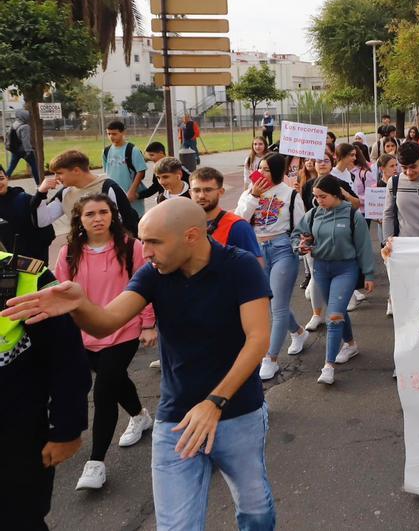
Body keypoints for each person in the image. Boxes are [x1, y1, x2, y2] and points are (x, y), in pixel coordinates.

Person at [2, 198, 275, 530]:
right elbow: (106, 322)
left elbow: (258, 339)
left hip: (237, 412)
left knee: (255, 510)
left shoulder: (240, 266)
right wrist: (79, 304)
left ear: (191, 236)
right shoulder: (154, 273)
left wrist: (214, 403)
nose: (144, 252)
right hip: (176, 420)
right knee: (176, 526)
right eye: (143, 241)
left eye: (154, 242)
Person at [54, 194, 155, 491]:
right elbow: (61, 294)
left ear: (112, 215)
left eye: (103, 212)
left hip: (123, 330)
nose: (97, 218)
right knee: (116, 381)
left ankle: (96, 463)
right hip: (83, 334)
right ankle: (140, 415)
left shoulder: (130, 246)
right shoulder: (69, 252)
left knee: (104, 392)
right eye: (90, 214)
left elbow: (145, 283)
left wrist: (148, 323)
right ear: (79, 220)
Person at [0, 243, 90, 529]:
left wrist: (67, 429)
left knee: (20, 520)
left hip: (16, 440)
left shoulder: (25, 276)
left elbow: (67, 359)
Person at [292, 176, 376, 385]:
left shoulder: (351, 214)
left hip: (346, 269)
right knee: (337, 310)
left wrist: (369, 274)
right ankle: (350, 344)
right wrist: (300, 245)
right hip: (321, 268)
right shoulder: (312, 215)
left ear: (336, 194)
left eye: (323, 196)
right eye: (315, 196)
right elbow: (296, 235)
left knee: (334, 316)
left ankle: (328, 366)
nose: (318, 200)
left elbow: (364, 245)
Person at [235, 153, 309, 380]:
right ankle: (298, 332)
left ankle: (270, 358)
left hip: (282, 249)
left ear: (278, 171)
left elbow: (301, 227)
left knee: (277, 305)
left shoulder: (291, 195)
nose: (261, 173)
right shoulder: (249, 192)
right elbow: (238, 220)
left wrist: (304, 247)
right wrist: (253, 196)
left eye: (267, 169)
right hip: (255, 251)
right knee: (270, 301)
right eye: (260, 168)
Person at [35, 151, 140, 237]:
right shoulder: (65, 192)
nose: (56, 178)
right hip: (81, 251)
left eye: (59, 173)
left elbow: (128, 223)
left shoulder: (108, 187)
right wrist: (41, 193)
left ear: (76, 170)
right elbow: (43, 220)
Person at [189, 167, 263, 262]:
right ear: (190, 193)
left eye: (208, 190)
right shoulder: (183, 225)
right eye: (196, 190)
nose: (202, 196)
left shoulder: (238, 227)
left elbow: (255, 268)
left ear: (221, 192)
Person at [0, 168, 55, 262]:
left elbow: (46, 227)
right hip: (7, 262)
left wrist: (39, 251)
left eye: (1, 178)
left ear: (7, 178)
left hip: (35, 258)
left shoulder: (23, 199)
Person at [103, 120, 148, 216]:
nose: (111, 136)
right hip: (113, 194)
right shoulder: (106, 151)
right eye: (108, 134)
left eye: (114, 134)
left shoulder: (132, 150)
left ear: (123, 132)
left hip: (130, 194)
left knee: (134, 220)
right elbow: (106, 173)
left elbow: (141, 172)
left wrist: (132, 191)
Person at [6, 108, 42, 184]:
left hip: (15, 150)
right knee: (34, 166)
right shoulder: (25, 126)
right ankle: (39, 184)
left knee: (11, 168)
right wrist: (29, 151)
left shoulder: (13, 125)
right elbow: (26, 141)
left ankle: (2, 181)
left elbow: (8, 138)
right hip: (24, 151)